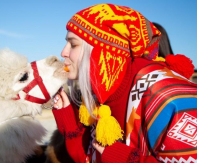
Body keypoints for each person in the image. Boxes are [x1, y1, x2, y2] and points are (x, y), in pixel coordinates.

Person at [52, 3, 197, 163]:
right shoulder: (103, 97)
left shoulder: (167, 96)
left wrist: (127, 159)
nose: (63, 52)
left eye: (73, 44)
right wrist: (70, 120)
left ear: (104, 49)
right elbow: (88, 158)